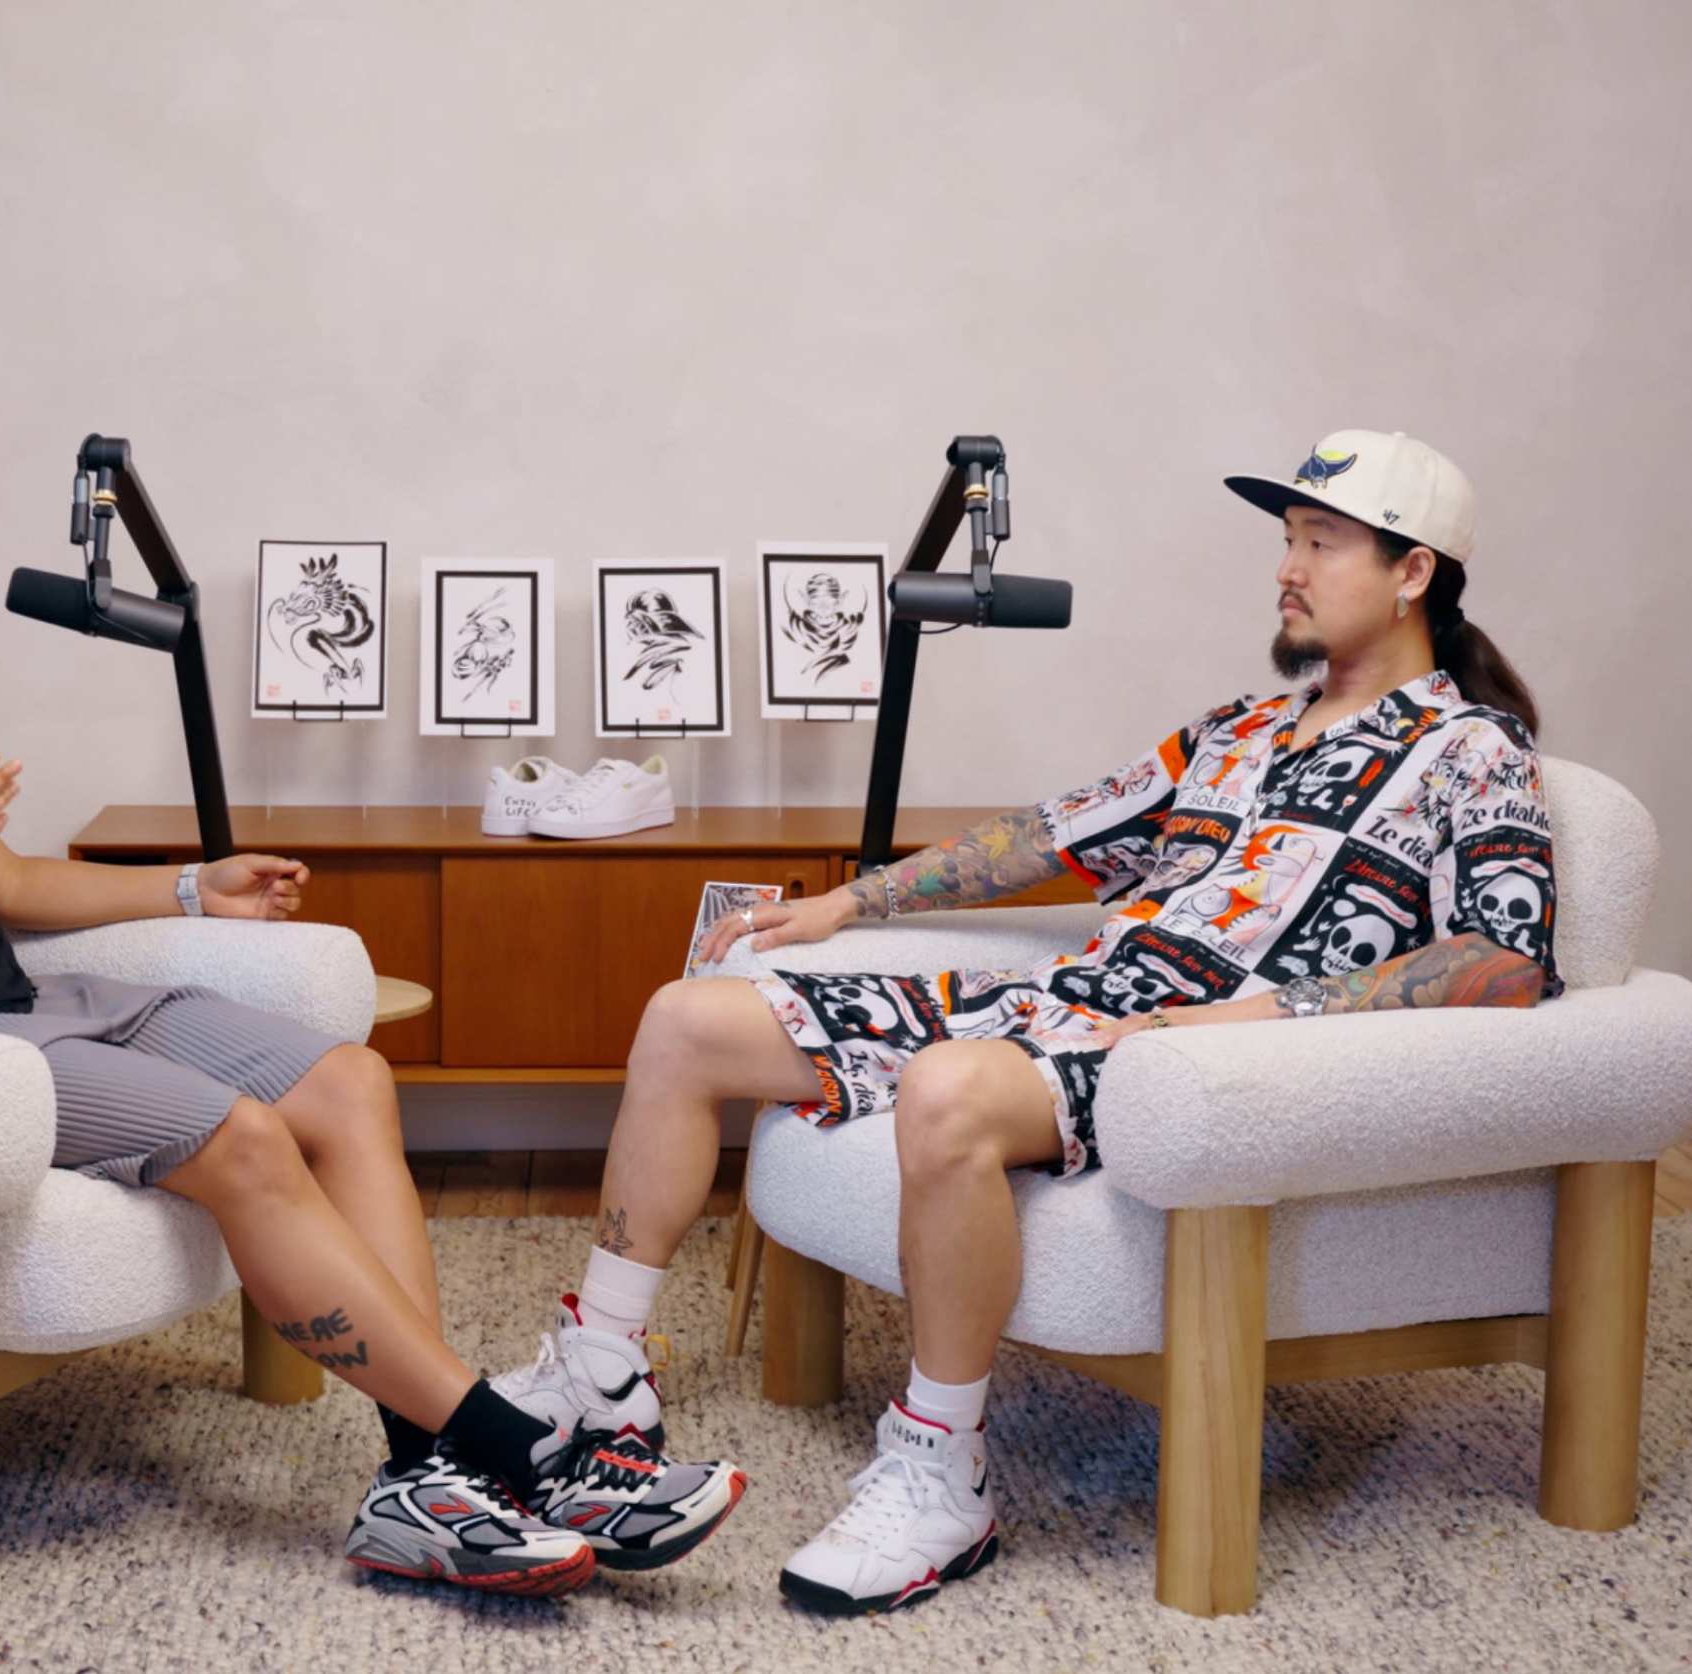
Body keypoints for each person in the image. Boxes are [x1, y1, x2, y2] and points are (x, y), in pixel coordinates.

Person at [0, 338, 744, 1597]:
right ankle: (517, 1453)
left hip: (34, 1003)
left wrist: (194, 888)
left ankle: (425, 1481)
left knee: (353, 1081)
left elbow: (3, 884)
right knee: (245, 1140)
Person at [500, 429, 1565, 1614]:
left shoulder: (1470, 750)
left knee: (947, 1089)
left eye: (1322, 543)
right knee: (684, 1021)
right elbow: (1051, 834)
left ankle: (939, 1474)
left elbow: (1504, 957)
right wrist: (852, 902)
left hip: (1192, 1057)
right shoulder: (1244, 728)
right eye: (1288, 540)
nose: (1288, 568)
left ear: (1413, 572)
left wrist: (1234, 1022)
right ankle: (603, 1371)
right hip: (1060, 1003)